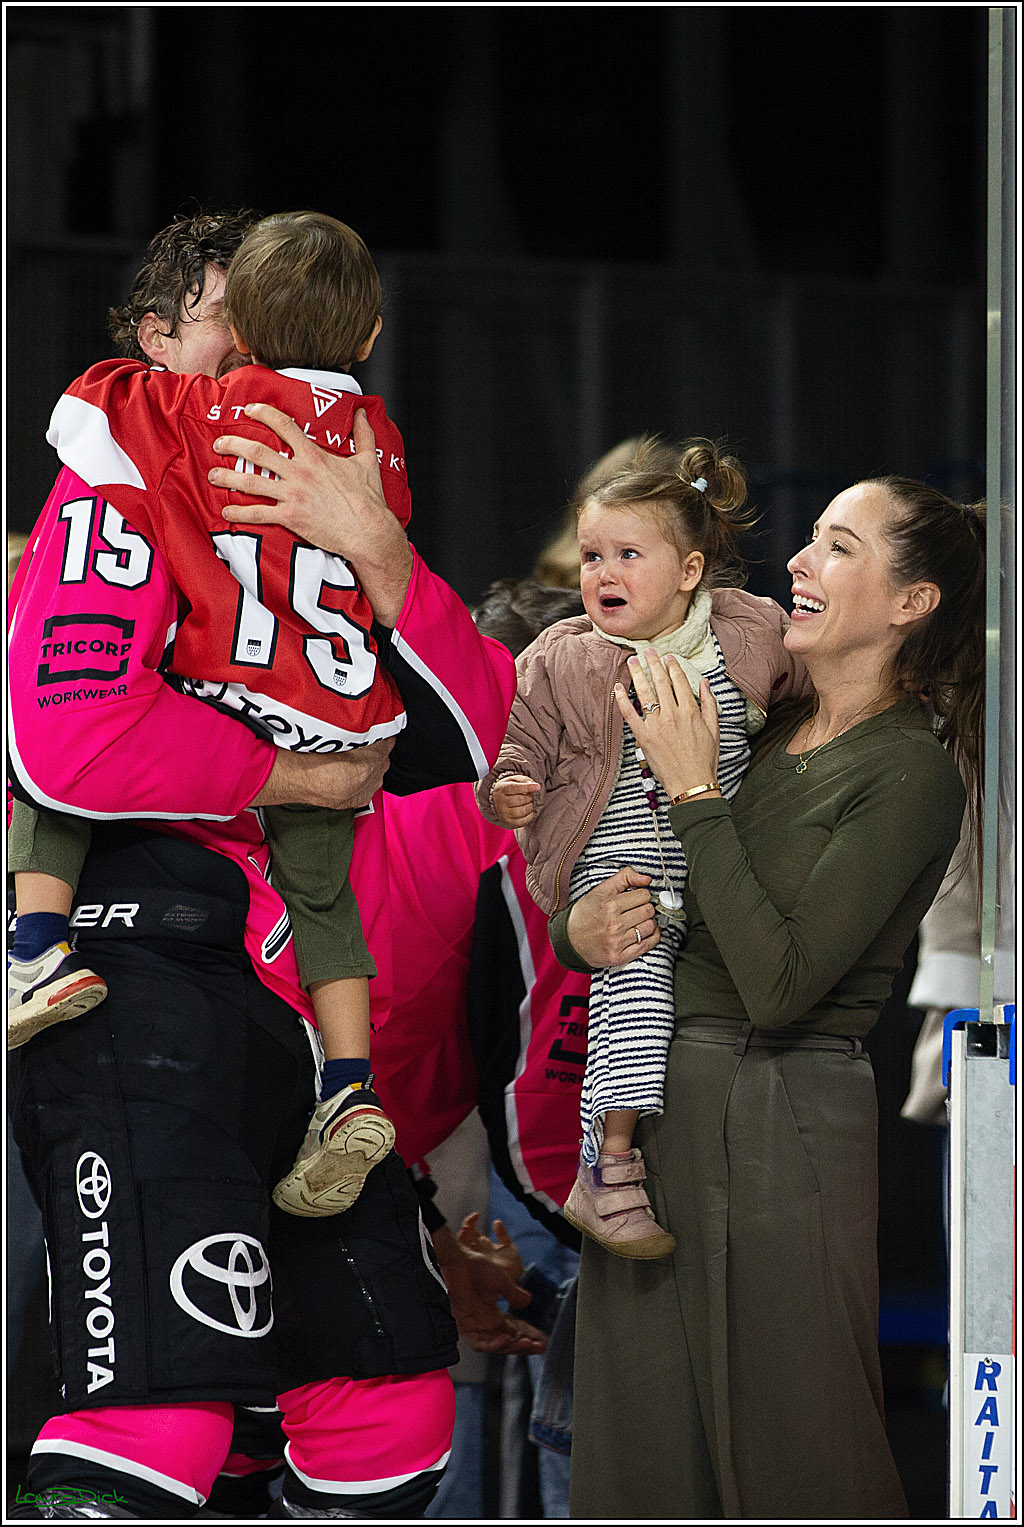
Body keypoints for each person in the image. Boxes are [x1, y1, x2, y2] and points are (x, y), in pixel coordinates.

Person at [7, 213, 516, 1518]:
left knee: (392, 1405)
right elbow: (68, 736)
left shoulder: (348, 486)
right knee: (160, 1406)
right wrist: (298, 772)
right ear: (160, 340)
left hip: (295, 1003)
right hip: (134, 968)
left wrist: (381, 551)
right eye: (242, 318)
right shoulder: (122, 466)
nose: (268, 352)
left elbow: (505, 745)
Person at [551, 475, 984, 1518]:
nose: (798, 560)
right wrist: (582, 929)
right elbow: (661, 902)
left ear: (910, 602)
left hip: (777, 1110)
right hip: (666, 1111)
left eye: (838, 546)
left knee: (798, 1452)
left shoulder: (909, 770)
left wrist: (696, 792)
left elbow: (781, 986)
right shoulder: (768, 726)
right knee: (643, 1457)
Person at [9, 209, 421, 1221]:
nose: (240, 339)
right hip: (332, 708)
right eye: (220, 314)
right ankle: (350, 1082)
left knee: (58, 758)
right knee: (326, 900)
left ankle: (31, 947)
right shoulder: (375, 435)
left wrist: (118, 392)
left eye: (253, 317)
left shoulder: (180, 420)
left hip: (227, 702)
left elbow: (96, 418)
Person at [476, 439, 809, 1257]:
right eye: (592, 556)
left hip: (716, 850)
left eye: (628, 554)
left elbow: (817, 691)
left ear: (692, 570)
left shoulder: (751, 630)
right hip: (616, 859)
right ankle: (607, 1169)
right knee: (639, 981)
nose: (603, 573)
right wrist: (510, 787)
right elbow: (516, 749)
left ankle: (710, 1173)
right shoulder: (561, 655)